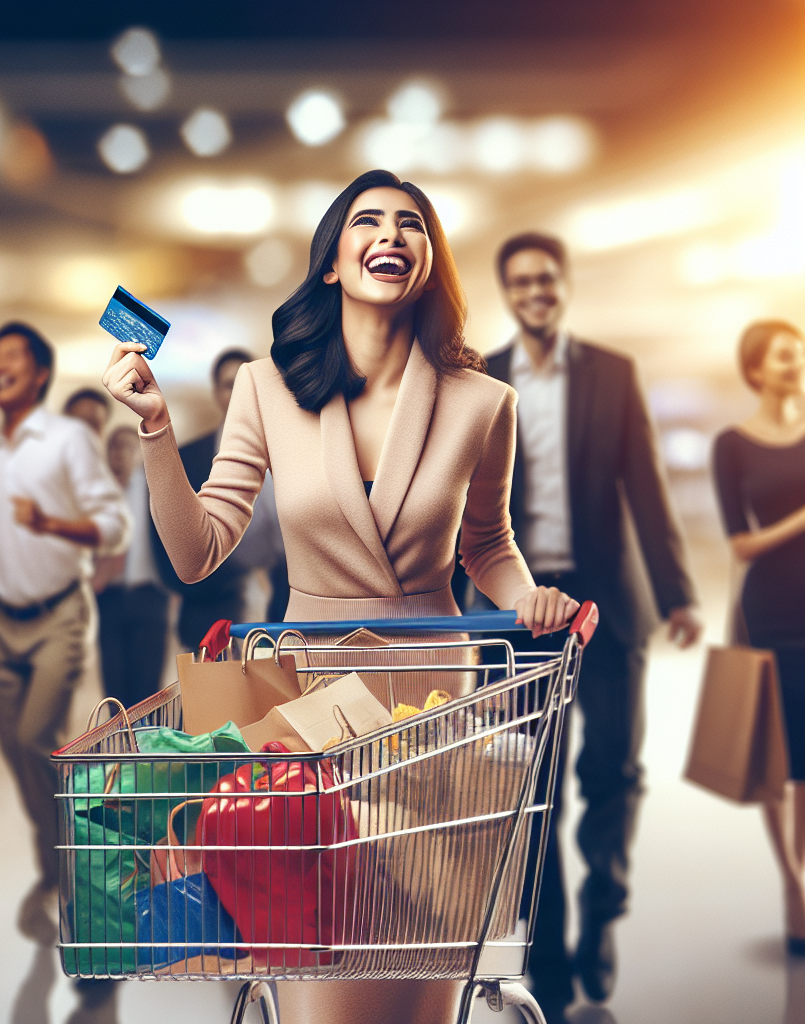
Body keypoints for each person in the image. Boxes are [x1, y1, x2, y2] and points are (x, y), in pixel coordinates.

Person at [103, 168, 577, 1024]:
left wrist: (532, 595)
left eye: (410, 225)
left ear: (429, 261)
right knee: (326, 954)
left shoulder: (483, 403)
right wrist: (156, 429)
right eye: (369, 221)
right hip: (304, 701)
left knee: (421, 942)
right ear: (332, 262)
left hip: (427, 700)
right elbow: (198, 550)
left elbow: (487, 546)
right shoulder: (266, 387)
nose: (391, 235)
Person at [485, 231, 701, 1014]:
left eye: (546, 278)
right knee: (529, 785)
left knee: (613, 771)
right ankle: (543, 951)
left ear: (564, 285)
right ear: (507, 292)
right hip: (518, 614)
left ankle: (601, 922)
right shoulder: (487, 378)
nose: (536, 291)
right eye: (522, 281)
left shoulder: (613, 374)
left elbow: (647, 484)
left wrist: (678, 593)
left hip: (606, 603)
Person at [0, 321, 129, 898]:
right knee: (16, 749)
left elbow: (113, 525)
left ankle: (79, 854)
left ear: (39, 375)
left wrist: (52, 523)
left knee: (39, 739)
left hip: (59, 615)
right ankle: (57, 848)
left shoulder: (68, 441)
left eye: (12, 357)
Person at [712, 320, 805, 953]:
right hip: (770, 607)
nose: (793, 363)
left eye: (798, 354)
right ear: (756, 370)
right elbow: (740, 542)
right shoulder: (732, 444)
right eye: (782, 356)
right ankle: (792, 886)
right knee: (780, 760)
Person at [154, 348, 289, 649]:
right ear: (216, 393)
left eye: (246, 385)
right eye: (230, 385)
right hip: (211, 609)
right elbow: (169, 541)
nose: (240, 393)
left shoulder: (291, 448)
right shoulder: (187, 457)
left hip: (288, 611)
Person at [93, 425, 171, 712]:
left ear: (139, 452)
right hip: (109, 598)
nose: (120, 453)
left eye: (128, 446)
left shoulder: (155, 490)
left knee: (147, 689)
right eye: (114, 447)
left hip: (149, 594)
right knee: (114, 686)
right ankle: (119, 753)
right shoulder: (97, 496)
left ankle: (143, 752)